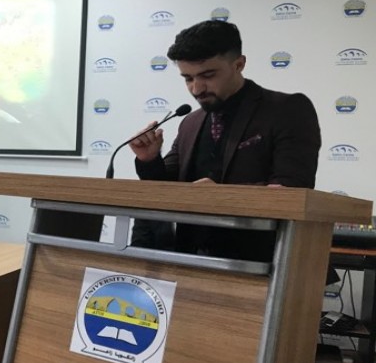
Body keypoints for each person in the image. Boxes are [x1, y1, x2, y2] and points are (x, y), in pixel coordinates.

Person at [128, 20, 321, 260]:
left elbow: (293, 190)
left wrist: (223, 196)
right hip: (189, 260)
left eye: (208, 75)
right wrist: (149, 160)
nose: (197, 89)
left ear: (239, 64)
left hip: (264, 263)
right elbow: (167, 189)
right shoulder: (190, 122)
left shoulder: (287, 109)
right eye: (188, 78)